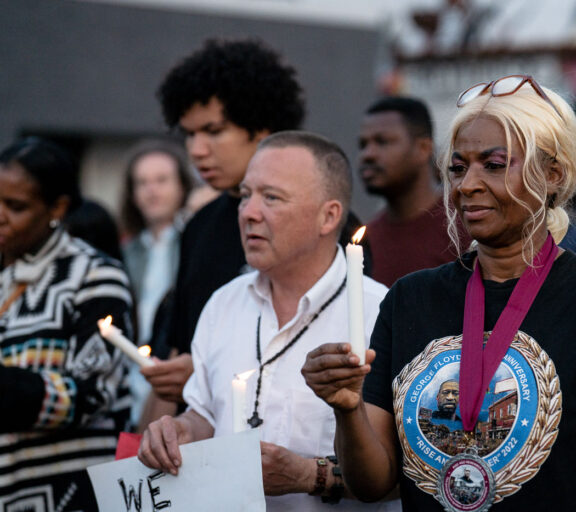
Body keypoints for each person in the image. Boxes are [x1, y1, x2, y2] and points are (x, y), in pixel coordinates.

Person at [303, 75, 576, 510]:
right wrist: (346, 409)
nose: (467, 185)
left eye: (495, 164)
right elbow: (374, 483)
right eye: (459, 168)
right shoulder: (411, 299)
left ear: (553, 174)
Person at [138, 132, 398, 511]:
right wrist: (180, 431)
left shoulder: (380, 312)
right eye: (246, 196)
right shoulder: (224, 303)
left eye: (271, 197)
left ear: (329, 216)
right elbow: (207, 415)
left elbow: (406, 473)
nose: (249, 212)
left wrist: (309, 475)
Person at [140, 38, 305, 405]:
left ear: (260, 126)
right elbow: (179, 344)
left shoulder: (318, 224)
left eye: (213, 132)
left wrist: (205, 372)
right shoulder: (198, 227)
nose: (196, 150)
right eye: (189, 134)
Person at [0, 138, 134, 510]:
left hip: (69, 492)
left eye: (15, 206)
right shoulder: (6, 273)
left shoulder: (94, 274)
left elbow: (90, 392)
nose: (0, 215)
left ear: (56, 207)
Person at [120, 139, 194, 428]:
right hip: (131, 378)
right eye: (142, 182)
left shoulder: (195, 240)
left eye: (162, 180)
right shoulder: (127, 252)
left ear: (182, 185)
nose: (152, 190)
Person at [359, 96, 467, 286]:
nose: (368, 154)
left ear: (423, 148)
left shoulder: (466, 221)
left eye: (382, 142)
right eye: (363, 145)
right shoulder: (366, 240)